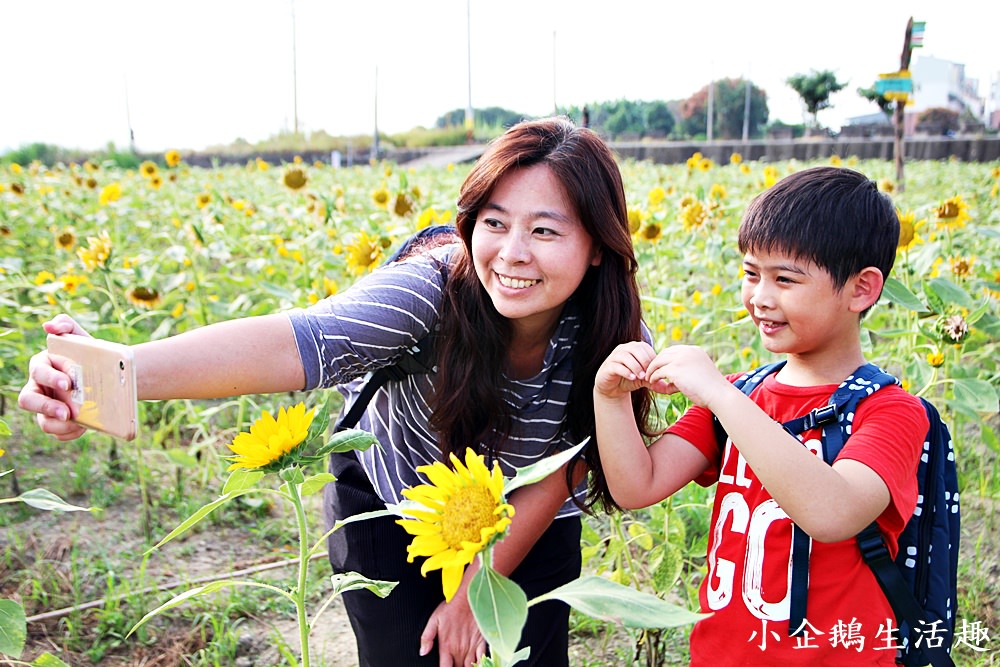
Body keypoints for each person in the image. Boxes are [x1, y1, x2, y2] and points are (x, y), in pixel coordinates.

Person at [19, 117, 654, 667]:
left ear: (597, 246)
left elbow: (564, 468)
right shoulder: (430, 290)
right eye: (494, 222)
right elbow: (299, 342)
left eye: (545, 231)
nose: (512, 254)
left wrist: (473, 595)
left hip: (528, 517)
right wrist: (112, 376)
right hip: (392, 500)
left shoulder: (611, 335)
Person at [593, 166, 928, 666]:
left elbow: (833, 513)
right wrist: (610, 398)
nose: (760, 298)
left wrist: (721, 398)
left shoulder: (891, 412)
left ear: (862, 289)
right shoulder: (743, 394)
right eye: (751, 274)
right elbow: (636, 486)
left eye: (785, 279)